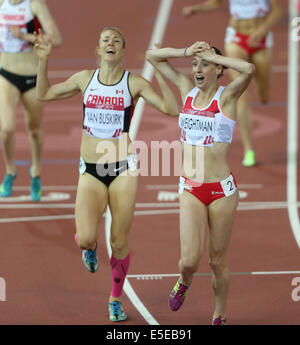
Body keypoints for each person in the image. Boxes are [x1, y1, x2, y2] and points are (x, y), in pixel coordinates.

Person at [34, 26, 179, 322]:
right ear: (98, 51)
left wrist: (160, 70)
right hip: (90, 170)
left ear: (123, 51)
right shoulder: (84, 79)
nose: (110, 43)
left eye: (116, 40)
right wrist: (43, 60)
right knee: (87, 238)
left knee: (120, 242)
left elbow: (171, 108)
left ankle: (115, 298)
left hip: (123, 168)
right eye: (105, 40)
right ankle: (88, 247)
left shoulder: (133, 83)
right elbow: (43, 93)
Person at [146, 41, 255, 324]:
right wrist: (185, 52)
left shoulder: (228, 95)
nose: (198, 69)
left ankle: (220, 313)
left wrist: (216, 57)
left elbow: (248, 69)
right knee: (189, 262)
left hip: (222, 190)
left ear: (218, 69)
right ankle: (183, 281)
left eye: (205, 64)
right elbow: (153, 57)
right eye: (196, 64)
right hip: (192, 188)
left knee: (217, 261)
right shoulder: (186, 89)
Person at [182, 0, 283, 167]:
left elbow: (277, 11)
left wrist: (260, 31)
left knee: (264, 95)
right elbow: (216, 3)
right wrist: (195, 8)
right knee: (242, 96)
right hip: (236, 38)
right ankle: (249, 149)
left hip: (261, 39)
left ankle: (262, 90)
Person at [0, 0, 62, 201]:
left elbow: (56, 39)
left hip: (32, 78)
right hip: (6, 74)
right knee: (7, 128)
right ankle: (10, 171)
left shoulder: (34, 5)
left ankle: (35, 173)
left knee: (34, 130)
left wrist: (25, 36)